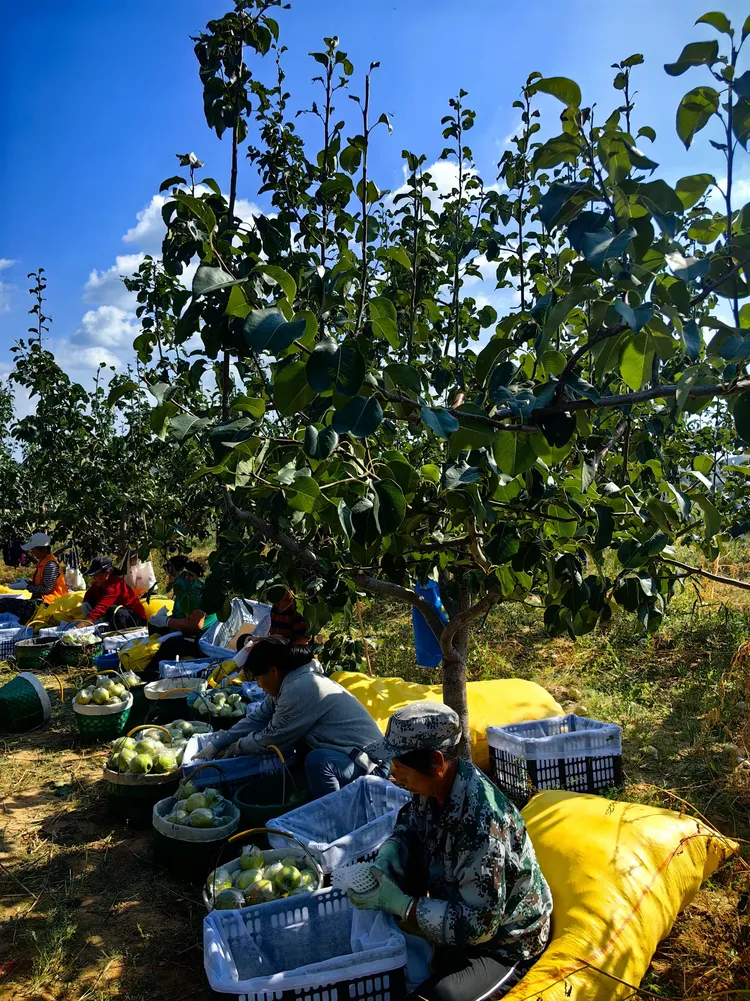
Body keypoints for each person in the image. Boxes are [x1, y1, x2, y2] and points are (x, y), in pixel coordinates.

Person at [348, 702, 553, 1001]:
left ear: (436, 762)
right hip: (459, 907)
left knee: (440, 996)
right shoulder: (435, 786)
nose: (395, 776)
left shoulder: (482, 826)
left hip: (505, 942)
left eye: (401, 767)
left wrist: (405, 906)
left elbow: (479, 925)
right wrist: (392, 850)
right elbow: (412, 822)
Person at [192, 636, 387, 797]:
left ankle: (335, 815)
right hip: (348, 754)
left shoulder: (301, 688)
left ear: (273, 671)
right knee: (302, 749)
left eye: (259, 678)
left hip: (371, 763)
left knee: (317, 762)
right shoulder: (289, 683)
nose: (258, 685)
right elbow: (257, 718)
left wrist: (238, 747)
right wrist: (218, 743)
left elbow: (272, 737)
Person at [143, 559, 218, 679]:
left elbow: (195, 625)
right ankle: (148, 656)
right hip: (186, 631)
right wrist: (163, 619)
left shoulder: (196, 591)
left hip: (201, 639)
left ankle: (150, 675)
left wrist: (167, 621)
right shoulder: (183, 590)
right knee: (155, 626)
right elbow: (180, 614)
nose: (170, 578)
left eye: (172, 574)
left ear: (187, 575)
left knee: (171, 644)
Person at [0, 532, 68, 624]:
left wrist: (27, 587)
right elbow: (40, 583)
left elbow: (46, 589)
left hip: (50, 603)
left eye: (33, 549)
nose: (31, 552)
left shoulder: (50, 565)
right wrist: (27, 582)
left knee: (4, 604)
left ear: (43, 549)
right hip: (43, 600)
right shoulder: (43, 562)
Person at [79, 556, 148, 630]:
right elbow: (89, 595)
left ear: (107, 573)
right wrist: (86, 603)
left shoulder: (115, 586)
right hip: (119, 616)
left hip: (135, 618)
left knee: (114, 610)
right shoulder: (99, 583)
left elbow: (102, 607)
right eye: (93, 575)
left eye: (97, 574)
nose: (94, 578)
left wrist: (82, 625)